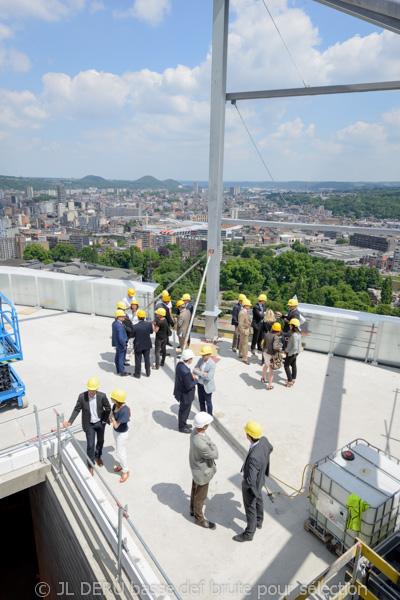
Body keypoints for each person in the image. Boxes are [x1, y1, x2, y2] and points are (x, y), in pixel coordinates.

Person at [233, 421, 273, 542]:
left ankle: (249, 533)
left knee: (250, 507)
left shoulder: (254, 457)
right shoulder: (264, 441)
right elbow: (271, 448)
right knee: (259, 497)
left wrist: (244, 484)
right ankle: (259, 521)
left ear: (248, 436)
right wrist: (263, 464)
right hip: (260, 480)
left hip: (252, 485)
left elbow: (250, 480)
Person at [63, 377, 111, 475]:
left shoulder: (102, 396)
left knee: (101, 441)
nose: (91, 393)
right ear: (87, 388)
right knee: (90, 445)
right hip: (89, 425)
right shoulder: (82, 397)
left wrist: (104, 420)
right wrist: (70, 421)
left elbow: (108, 408)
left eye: (93, 391)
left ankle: (98, 457)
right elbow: (77, 409)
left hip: (100, 423)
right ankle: (90, 465)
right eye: (90, 390)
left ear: (96, 389)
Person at [189, 412, 219, 529]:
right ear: (204, 426)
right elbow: (215, 454)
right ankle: (199, 519)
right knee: (200, 496)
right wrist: (213, 444)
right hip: (202, 472)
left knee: (194, 490)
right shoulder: (202, 445)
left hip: (196, 468)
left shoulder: (194, 432)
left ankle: (192, 510)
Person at [173, 348, 198, 433]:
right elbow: (189, 386)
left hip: (181, 392)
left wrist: (190, 377)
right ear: (189, 359)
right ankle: (182, 427)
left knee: (183, 410)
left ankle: (183, 423)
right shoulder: (186, 372)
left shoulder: (179, 365)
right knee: (184, 411)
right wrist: (195, 380)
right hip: (186, 395)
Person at [109, 388, 130, 483]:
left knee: (119, 452)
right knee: (122, 450)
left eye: (112, 398)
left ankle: (125, 471)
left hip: (122, 434)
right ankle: (122, 464)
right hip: (116, 432)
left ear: (116, 399)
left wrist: (113, 419)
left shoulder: (124, 411)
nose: (111, 399)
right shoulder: (115, 405)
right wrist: (112, 418)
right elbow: (111, 415)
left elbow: (116, 424)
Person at [193, 345, 216, 415]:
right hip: (200, 385)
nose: (202, 356)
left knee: (208, 403)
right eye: (202, 355)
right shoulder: (200, 360)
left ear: (209, 355)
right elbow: (194, 370)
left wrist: (199, 373)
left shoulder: (212, 364)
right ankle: (203, 415)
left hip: (207, 387)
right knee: (201, 402)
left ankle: (209, 416)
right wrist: (203, 373)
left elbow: (208, 377)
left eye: (204, 355)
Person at [131, 310, 154, 378]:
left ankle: (137, 374)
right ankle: (148, 373)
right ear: (144, 317)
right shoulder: (149, 324)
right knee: (147, 359)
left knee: (138, 360)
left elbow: (132, 336)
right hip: (147, 344)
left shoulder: (135, 326)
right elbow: (151, 332)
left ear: (138, 317)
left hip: (138, 345)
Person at [261, 322, 283, 390]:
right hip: (271, 355)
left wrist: (263, 351)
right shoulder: (276, 337)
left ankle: (263, 377)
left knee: (266, 365)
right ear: (278, 331)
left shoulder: (267, 333)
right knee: (271, 370)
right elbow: (275, 347)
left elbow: (264, 344)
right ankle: (269, 385)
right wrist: (281, 345)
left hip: (265, 352)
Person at [284, 318, 302, 387]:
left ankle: (289, 381)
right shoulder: (298, 333)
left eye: (290, 324)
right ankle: (293, 378)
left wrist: (289, 353)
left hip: (292, 352)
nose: (289, 325)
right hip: (296, 352)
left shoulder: (294, 335)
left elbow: (295, 347)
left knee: (286, 366)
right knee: (293, 364)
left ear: (293, 325)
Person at [112, 309, 128, 376]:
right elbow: (121, 337)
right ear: (118, 317)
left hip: (117, 343)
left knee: (117, 357)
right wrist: (124, 344)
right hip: (121, 344)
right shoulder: (119, 326)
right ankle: (122, 372)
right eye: (122, 316)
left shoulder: (114, 323)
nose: (124, 317)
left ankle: (118, 369)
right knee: (121, 358)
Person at [238, 299, 252, 365]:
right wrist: (243, 331)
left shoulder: (245, 312)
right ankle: (245, 358)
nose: (249, 307)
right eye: (248, 305)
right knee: (245, 345)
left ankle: (240, 354)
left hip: (245, 329)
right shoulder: (242, 313)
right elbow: (240, 324)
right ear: (245, 305)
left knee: (241, 343)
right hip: (244, 330)